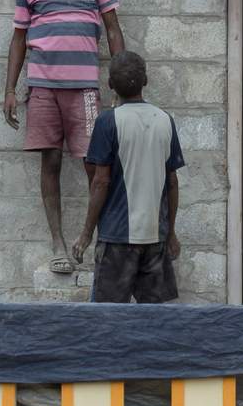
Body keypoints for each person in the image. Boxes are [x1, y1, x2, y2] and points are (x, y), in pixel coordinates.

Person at [3, 0, 125, 275]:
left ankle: (100, 240)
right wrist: (10, 89)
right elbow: (18, 39)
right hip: (42, 89)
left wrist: (118, 81)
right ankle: (58, 243)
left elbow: (113, 30)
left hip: (86, 90)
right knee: (50, 163)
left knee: (95, 165)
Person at [73, 52, 185, 303]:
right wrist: (171, 234)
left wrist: (86, 233)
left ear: (110, 84)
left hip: (117, 238)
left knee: (108, 320)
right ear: (146, 80)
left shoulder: (108, 121)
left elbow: (101, 181)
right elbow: (173, 182)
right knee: (154, 320)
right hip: (155, 238)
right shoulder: (164, 120)